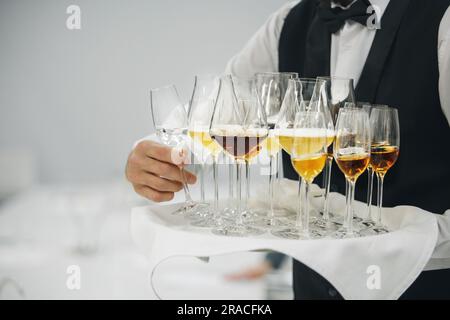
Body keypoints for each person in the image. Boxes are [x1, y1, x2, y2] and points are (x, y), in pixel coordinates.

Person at [126, 0, 450, 299]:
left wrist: (405, 242)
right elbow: (217, 111)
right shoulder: (288, 23)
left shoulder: (442, 20)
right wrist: (157, 152)